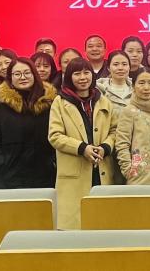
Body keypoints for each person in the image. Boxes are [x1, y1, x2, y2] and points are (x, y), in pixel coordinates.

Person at [49, 58, 117, 228]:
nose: (82, 77)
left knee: (102, 224)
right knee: (74, 227)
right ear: (69, 77)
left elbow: (115, 130)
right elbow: (55, 135)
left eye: (86, 73)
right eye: (77, 74)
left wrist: (105, 147)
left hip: (101, 170)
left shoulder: (103, 101)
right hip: (74, 174)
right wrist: (81, 148)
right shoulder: (60, 102)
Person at [0, 57, 57, 189]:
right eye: (17, 74)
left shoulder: (50, 105)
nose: (23, 77)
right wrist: (2, 166)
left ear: (34, 75)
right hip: (8, 180)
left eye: (27, 73)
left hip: (45, 178)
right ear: (10, 78)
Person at [116, 70, 150, 185]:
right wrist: (128, 170)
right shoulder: (129, 111)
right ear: (133, 86)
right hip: (140, 178)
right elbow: (122, 143)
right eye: (141, 83)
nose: (146, 87)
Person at [96, 50, 134, 117]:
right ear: (108, 68)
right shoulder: (99, 89)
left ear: (129, 67)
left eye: (124, 64)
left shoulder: (137, 89)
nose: (120, 68)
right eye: (116, 64)